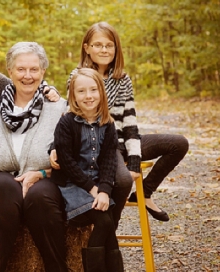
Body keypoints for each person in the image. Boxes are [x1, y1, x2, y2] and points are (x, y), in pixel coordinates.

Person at [53, 21, 189, 224]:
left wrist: (134, 160)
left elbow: (130, 123)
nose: (104, 50)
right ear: (87, 48)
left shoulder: (123, 79)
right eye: (98, 45)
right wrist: (56, 147)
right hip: (103, 144)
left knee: (178, 143)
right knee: (124, 179)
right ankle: (110, 228)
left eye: (109, 45)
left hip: (125, 141)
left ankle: (146, 193)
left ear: (116, 48)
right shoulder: (79, 76)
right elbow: (71, 114)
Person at [0, 42, 68, 272]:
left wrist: (43, 173)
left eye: (34, 69)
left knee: (40, 195)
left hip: (45, 181)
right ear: (10, 72)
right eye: (21, 69)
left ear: (43, 72)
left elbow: (73, 158)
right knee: (4, 186)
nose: (28, 76)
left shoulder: (59, 109)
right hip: (0, 186)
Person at [52, 68, 123, 271]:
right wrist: (93, 189)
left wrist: (104, 190)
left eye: (93, 90)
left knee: (107, 220)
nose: (88, 96)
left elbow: (110, 159)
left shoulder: (107, 123)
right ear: (73, 95)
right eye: (81, 91)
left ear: (101, 92)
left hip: (97, 185)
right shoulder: (66, 123)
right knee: (104, 221)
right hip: (73, 184)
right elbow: (66, 162)